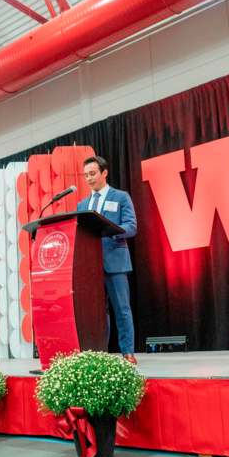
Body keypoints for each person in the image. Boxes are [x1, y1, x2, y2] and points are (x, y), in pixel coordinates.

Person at [77, 156, 139, 364]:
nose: (89, 179)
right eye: (86, 175)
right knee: (95, 313)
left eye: (92, 174)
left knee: (122, 308)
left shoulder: (120, 197)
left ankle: (127, 352)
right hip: (90, 267)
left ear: (104, 173)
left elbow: (131, 226)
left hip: (115, 261)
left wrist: (112, 231)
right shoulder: (82, 204)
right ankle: (99, 353)